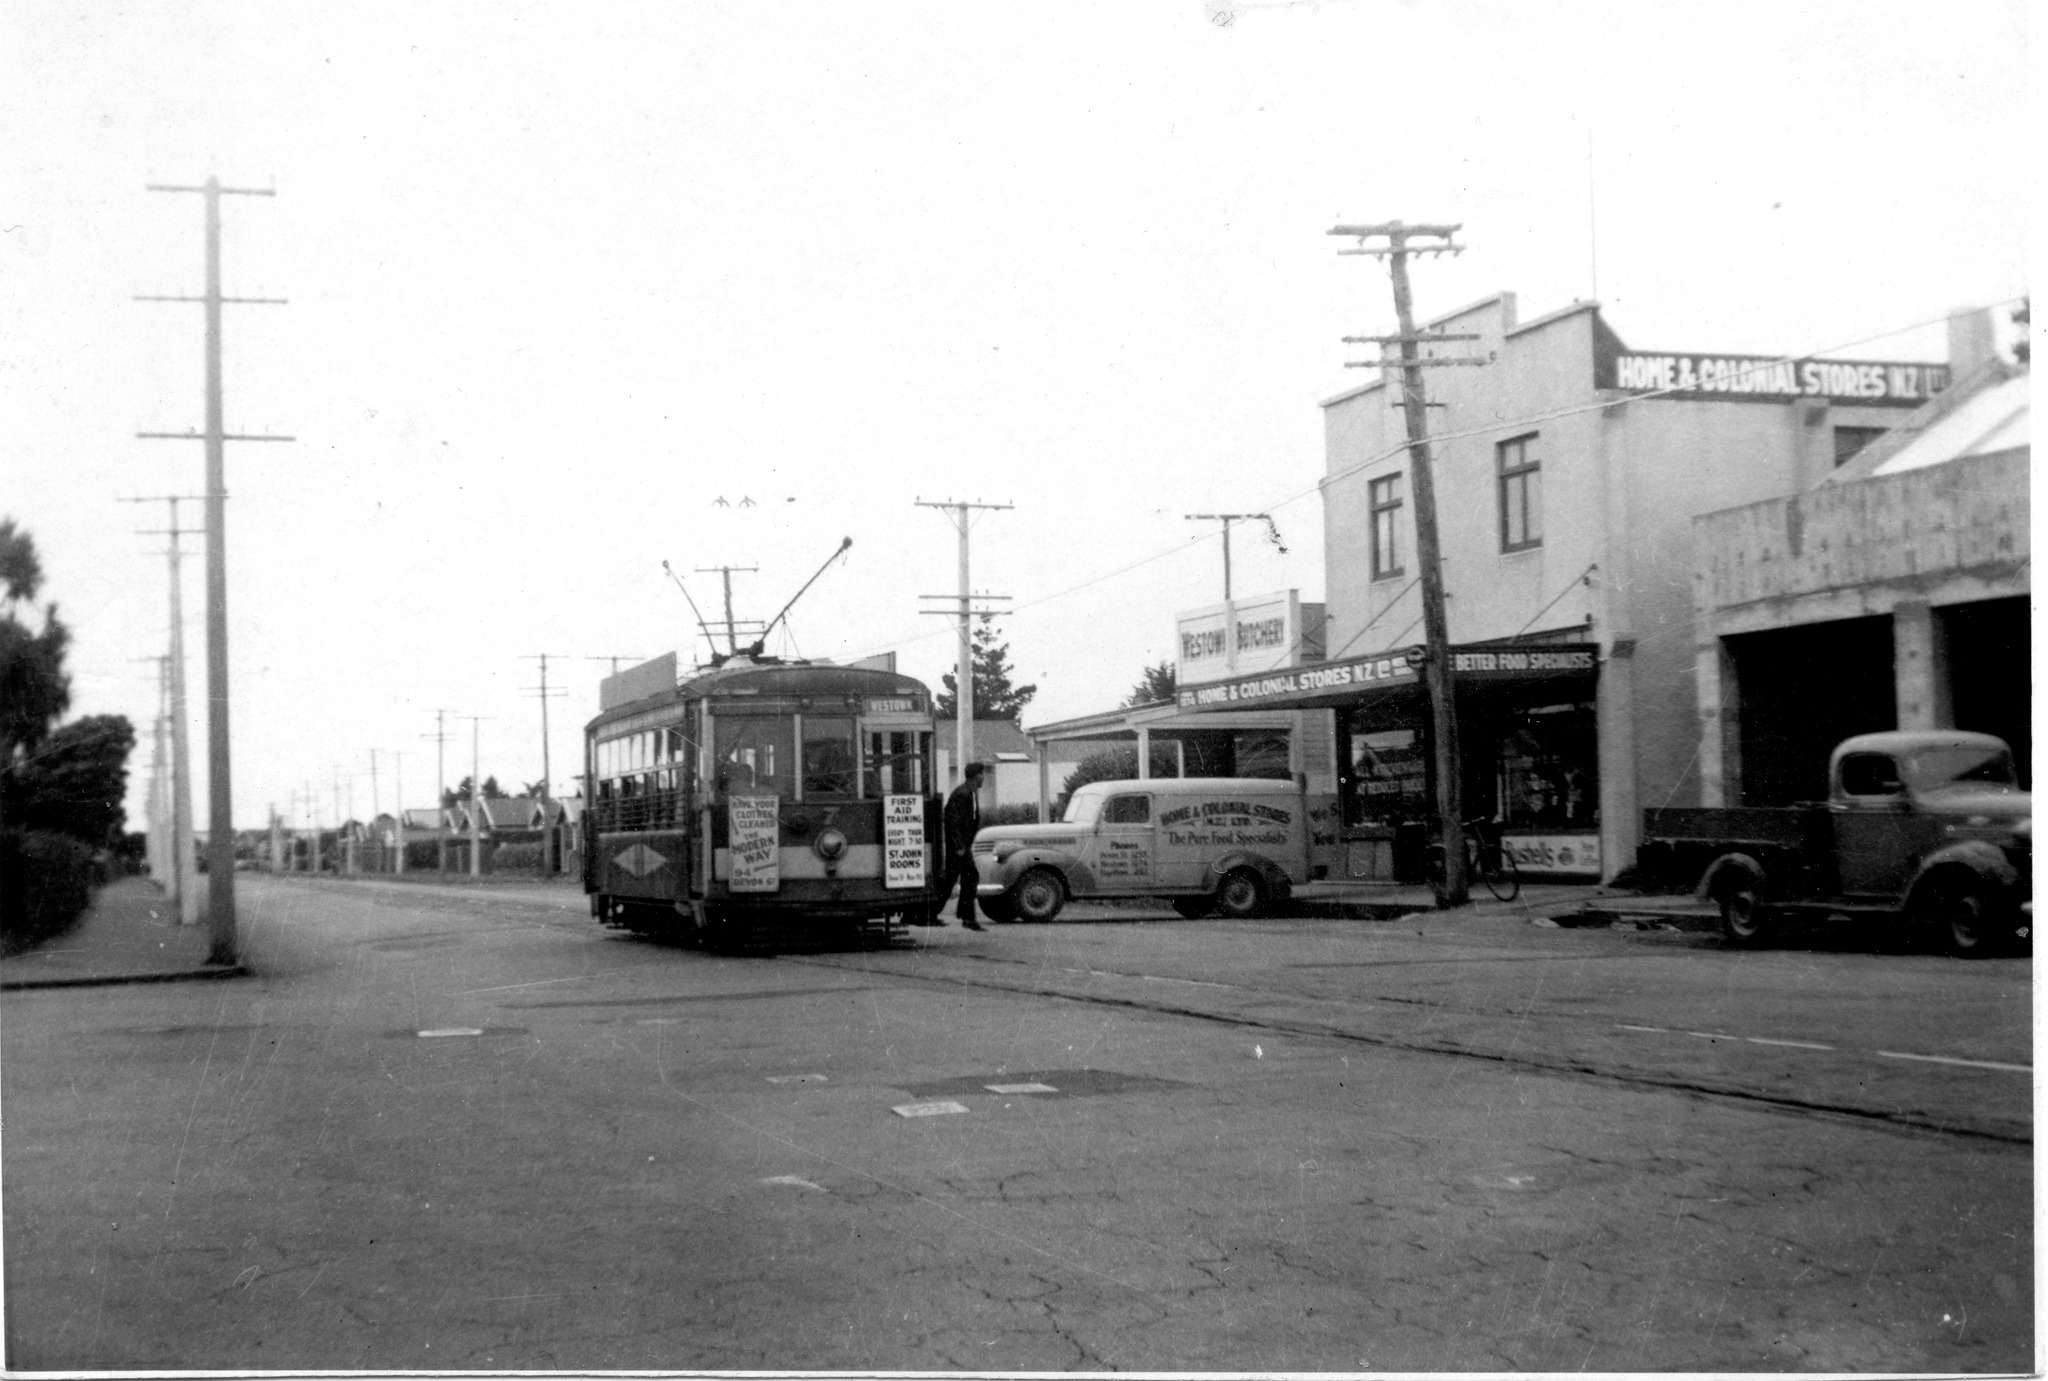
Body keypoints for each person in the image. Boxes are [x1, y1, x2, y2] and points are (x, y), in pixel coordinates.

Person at [942, 761, 988, 930]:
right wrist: (959, 845)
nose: (984, 777)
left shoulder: (971, 793)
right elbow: (951, 820)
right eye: (982, 774)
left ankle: (967, 917)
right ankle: (930, 912)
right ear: (976, 776)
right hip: (959, 847)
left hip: (963, 846)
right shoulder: (963, 794)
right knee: (950, 880)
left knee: (967, 877)